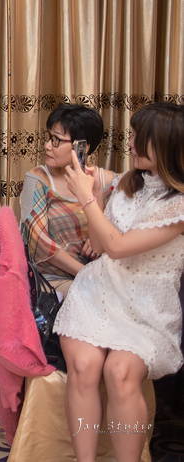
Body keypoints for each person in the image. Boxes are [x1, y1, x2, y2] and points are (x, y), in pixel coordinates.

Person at [55, 103, 184, 462]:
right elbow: (99, 246)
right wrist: (96, 194)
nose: (129, 143)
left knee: (121, 371)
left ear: (166, 145)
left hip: (147, 307)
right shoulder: (131, 182)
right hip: (98, 293)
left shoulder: (179, 207)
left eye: (137, 136)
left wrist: (84, 197)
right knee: (84, 367)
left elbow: (118, 247)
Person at [19, 104, 115, 297]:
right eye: (49, 137)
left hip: (103, 277)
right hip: (51, 280)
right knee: (96, 298)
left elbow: (122, 228)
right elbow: (39, 243)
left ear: (83, 147)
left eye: (57, 140)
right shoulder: (38, 178)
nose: (47, 145)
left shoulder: (106, 181)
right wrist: (85, 274)